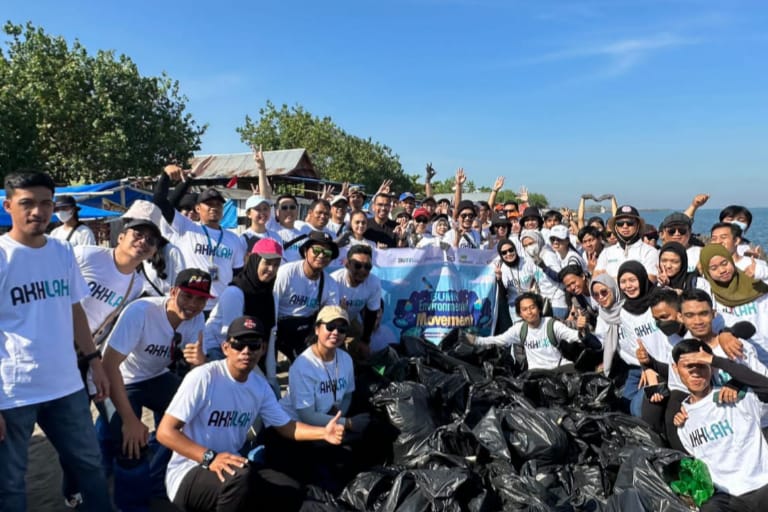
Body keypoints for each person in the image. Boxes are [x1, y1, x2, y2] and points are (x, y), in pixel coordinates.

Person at [0, 171, 112, 511]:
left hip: (65, 385)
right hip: (13, 391)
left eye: (46, 203)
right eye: (27, 203)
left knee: (90, 464)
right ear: (8, 206)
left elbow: (75, 308)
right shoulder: (3, 256)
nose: (39, 211)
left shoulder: (63, 252)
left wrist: (94, 360)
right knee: (10, 484)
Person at [157, 315, 345, 512]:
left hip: (232, 465)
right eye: (239, 344)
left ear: (263, 349)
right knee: (240, 480)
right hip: (190, 471)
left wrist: (324, 432)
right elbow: (165, 432)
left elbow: (287, 427)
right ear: (225, 348)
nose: (246, 351)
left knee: (290, 486)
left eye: (254, 344)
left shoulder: (259, 386)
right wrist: (210, 458)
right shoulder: (204, 377)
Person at [59, 200, 160, 507]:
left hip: (88, 359)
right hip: (55, 353)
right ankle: (73, 488)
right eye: (138, 234)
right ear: (121, 236)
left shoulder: (138, 284)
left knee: (94, 425)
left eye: (151, 241)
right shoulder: (88, 255)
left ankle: (83, 484)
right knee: (68, 431)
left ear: (154, 252)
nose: (143, 242)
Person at [100, 268, 211, 510]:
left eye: (200, 299)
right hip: (120, 378)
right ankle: (129, 504)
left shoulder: (196, 318)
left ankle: (156, 477)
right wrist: (129, 420)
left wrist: (200, 364)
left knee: (194, 417)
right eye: (187, 296)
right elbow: (108, 365)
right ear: (173, 292)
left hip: (156, 376)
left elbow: (195, 381)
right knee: (129, 444)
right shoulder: (142, 312)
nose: (192, 305)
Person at [272, 307, 367, 491]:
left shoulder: (346, 359)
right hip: (296, 430)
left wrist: (339, 414)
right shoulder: (303, 366)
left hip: (327, 424)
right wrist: (347, 423)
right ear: (317, 329)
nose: (335, 333)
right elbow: (307, 415)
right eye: (330, 326)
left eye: (341, 329)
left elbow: (347, 395)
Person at [672, 339, 768, 512]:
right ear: (675, 369)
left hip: (762, 485)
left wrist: (717, 361)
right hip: (727, 499)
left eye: (701, 365)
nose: (695, 373)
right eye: (688, 367)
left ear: (712, 368)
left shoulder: (736, 396)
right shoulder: (682, 422)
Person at [154, 165, 246, 314]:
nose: (214, 208)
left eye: (218, 204)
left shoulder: (233, 238)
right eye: (208, 204)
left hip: (222, 307)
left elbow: (238, 275)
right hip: (190, 305)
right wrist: (168, 176)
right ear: (197, 209)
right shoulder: (187, 228)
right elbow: (160, 202)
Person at [269, 232, 341, 390]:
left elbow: (330, 316)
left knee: (315, 366)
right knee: (270, 375)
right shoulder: (287, 272)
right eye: (316, 250)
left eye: (327, 253)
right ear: (305, 251)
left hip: (306, 328)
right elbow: (271, 304)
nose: (321, 256)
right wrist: (271, 338)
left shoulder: (330, 283)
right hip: (278, 325)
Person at [467, 292, 602, 372]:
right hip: (536, 373)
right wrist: (475, 340)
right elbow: (498, 340)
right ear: (520, 314)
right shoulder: (519, 329)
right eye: (525, 309)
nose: (529, 312)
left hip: (559, 369)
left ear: (539, 309)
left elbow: (575, 336)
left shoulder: (551, 324)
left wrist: (582, 331)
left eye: (532, 307)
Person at [204, 238, 283, 360]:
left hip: (248, 349)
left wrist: (271, 378)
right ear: (255, 261)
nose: (271, 269)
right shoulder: (235, 293)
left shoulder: (271, 295)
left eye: (276, 265)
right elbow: (232, 340)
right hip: (219, 349)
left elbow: (269, 340)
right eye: (267, 263)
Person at [699, 244, 768, 364]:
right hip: (738, 359)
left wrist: (761, 272)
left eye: (725, 263)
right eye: (714, 268)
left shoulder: (756, 284)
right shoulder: (709, 295)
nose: (722, 270)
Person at [616, 261, 669, 417]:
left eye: (632, 280)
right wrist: (646, 367)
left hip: (665, 366)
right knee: (624, 404)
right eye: (623, 282)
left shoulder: (659, 298)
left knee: (638, 409)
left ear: (642, 278)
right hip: (643, 366)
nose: (628, 286)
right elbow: (635, 344)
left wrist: (654, 370)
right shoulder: (625, 310)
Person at [330, 245, 381, 361]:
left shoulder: (374, 283)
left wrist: (365, 341)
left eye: (367, 267)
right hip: (332, 320)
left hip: (352, 319)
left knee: (364, 352)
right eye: (357, 265)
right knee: (337, 356)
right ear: (347, 264)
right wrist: (340, 312)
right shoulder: (334, 281)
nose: (362, 270)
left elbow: (371, 313)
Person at [594, 205, 658, 281]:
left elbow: (650, 279)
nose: (625, 226)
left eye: (630, 223)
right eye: (620, 223)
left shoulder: (650, 252)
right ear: (615, 227)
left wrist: (608, 279)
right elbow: (596, 280)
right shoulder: (606, 252)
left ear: (638, 225)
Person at [519, 229, 567, 319]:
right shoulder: (534, 258)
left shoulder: (548, 255)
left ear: (538, 240)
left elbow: (560, 277)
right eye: (525, 246)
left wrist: (544, 267)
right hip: (545, 302)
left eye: (531, 243)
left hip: (557, 303)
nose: (529, 247)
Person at [493, 238, 537, 326]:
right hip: (515, 307)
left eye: (511, 250)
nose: (508, 254)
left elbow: (539, 278)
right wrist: (499, 278)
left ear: (515, 249)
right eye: (504, 252)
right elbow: (502, 295)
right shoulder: (501, 268)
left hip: (531, 303)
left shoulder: (527, 261)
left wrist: (535, 286)